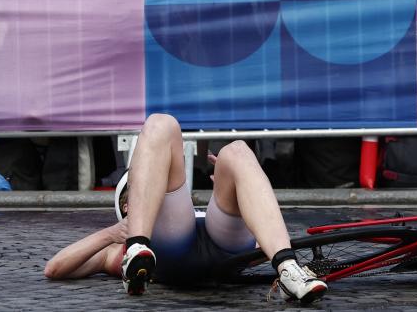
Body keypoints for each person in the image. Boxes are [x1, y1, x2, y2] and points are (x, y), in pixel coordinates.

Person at [44, 113, 327, 303]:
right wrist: (111, 234)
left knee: (238, 151)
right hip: (166, 248)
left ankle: (288, 269)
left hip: (220, 241)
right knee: (159, 123)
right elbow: (55, 268)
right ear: (126, 207)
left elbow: (258, 247)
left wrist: (239, 188)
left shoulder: (190, 216)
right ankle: (137, 247)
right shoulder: (112, 248)